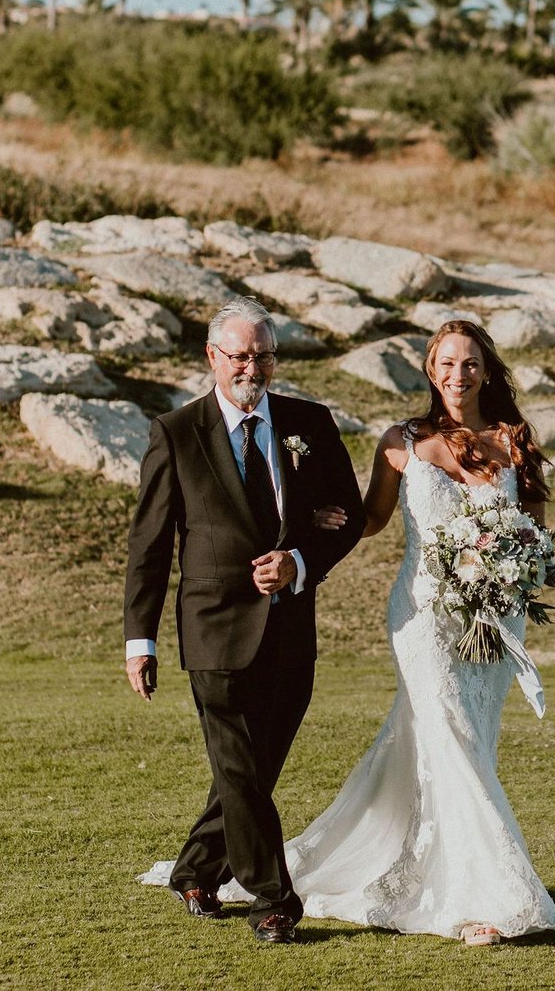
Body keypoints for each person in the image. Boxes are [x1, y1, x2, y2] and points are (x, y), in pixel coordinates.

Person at [288, 319, 555, 945]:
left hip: (494, 617)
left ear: (487, 371)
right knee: (453, 735)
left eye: (469, 363)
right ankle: (486, 899)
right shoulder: (402, 442)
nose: (456, 375)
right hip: (423, 618)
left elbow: (535, 529)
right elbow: (373, 519)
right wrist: (319, 522)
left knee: (471, 740)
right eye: (445, 363)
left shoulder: (514, 441)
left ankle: (420, 869)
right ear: (429, 371)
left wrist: (529, 565)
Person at [124, 296, 366, 945]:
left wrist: (299, 559)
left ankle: (196, 868)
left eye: (262, 356)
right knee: (237, 767)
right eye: (239, 356)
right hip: (213, 632)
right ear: (212, 357)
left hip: (291, 632)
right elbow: (148, 549)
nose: (251, 368)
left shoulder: (309, 424)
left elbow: (350, 514)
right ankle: (271, 901)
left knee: (251, 772)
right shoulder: (175, 434)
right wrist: (139, 640)